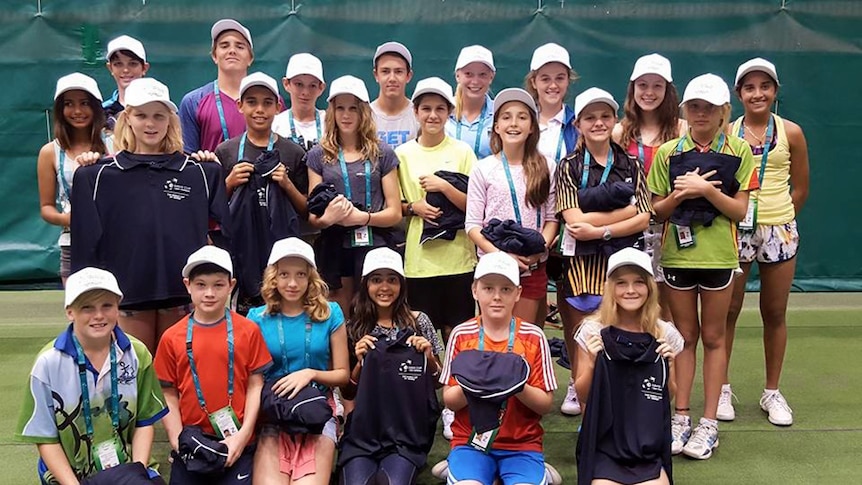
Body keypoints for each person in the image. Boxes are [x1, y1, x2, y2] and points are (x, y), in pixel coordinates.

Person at [71, 77, 231, 353]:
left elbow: (224, 235)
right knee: (135, 378)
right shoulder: (94, 176)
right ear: (127, 118)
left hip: (182, 293)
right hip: (126, 296)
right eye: (141, 115)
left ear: (170, 120)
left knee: (179, 380)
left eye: (159, 116)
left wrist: (211, 285)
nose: (150, 123)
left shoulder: (202, 172)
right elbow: (85, 248)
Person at [647, 74, 758, 460]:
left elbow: (740, 211)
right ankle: (681, 418)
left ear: (723, 111)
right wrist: (681, 193)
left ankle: (708, 423)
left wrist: (708, 190)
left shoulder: (741, 151)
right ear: (685, 110)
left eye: (709, 107)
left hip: (720, 259)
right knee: (683, 338)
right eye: (694, 106)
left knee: (714, 337)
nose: (701, 114)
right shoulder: (666, 153)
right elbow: (656, 213)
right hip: (677, 257)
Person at [16, 267, 167, 484]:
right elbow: (45, 439)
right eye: (87, 307)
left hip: (129, 466)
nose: (98, 315)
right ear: (70, 311)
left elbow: (144, 422)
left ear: (118, 308)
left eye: (107, 305)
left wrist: (136, 474)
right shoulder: (47, 363)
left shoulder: (137, 353)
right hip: (68, 476)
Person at [555, 87, 653, 422]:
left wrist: (601, 231)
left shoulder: (632, 163)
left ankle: (622, 410)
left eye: (605, 116)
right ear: (578, 124)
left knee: (620, 334)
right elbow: (572, 219)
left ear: (614, 121)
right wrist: (622, 213)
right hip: (579, 267)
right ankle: (585, 408)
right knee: (582, 338)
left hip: (622, 265)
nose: (598, 123)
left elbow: (644, 215)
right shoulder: (567, 166)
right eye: (590, 117)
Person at [723, 58, 810, 426]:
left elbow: (801, 186)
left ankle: (772, 391)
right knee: (727, 311)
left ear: (774, 91)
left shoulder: (791, 132)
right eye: (749, 87)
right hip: (735, 230)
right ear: (739, 93)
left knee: (774, 313)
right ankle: (722, 388)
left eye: (765, 87)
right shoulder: (727, 133)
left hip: (779, 230)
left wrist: (782, 218)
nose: (757, 93)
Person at [154, 246, 272, 484]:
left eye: (218, 285)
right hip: (192, 443)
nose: (209, 293)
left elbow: (255, 385)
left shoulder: (248, 330)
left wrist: (243, 437)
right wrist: (178, 441)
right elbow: (168, 393)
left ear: (231, 285)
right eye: (201, 285)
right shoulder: (172, 337)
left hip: (238, 443)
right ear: (187, 285)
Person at [439, 252, 558, 485]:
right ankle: (463, 467)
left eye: (506, 289)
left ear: (518, 294)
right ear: (475, 290)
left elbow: (544, 404)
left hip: (521, 444)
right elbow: (450, 401)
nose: (496, 297)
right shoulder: (461, 334)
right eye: (488, 288)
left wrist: (515, 384)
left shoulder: (533, 336)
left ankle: (535, 472)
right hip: (470, 442)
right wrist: (477, 381)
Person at [574, 248, 682, 485]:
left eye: (638, 282)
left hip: (647, 447)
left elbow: (667, 397)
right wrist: (592, 363)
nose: (630, 290)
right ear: (610, 288)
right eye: (621, 283)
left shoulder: (664, 333)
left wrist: (670, 367)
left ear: (650, 287)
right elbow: (583, 395)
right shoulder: (592, 331)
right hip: (605, 447)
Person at [246, 237, 349, 485]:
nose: (292, 283)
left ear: (310, 277)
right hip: (274, 413)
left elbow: (342, 374)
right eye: (284, 274)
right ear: (273, 276)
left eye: (301, 274)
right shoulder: (256, 317)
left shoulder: (330, 313)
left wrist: (311, 374)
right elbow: (252, 380)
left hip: (317, 410)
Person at [338, 247, 442, 485]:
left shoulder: (419, 321)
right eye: (376, 280)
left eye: (391, 280)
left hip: (406, 434)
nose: (384, 287)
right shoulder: (353, 327)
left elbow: (438, 380)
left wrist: (429, 357)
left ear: (402, 284)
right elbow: (348, 391)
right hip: (364, 433)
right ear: (365, 284)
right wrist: (359, 362)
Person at [306, 75, 403, 317]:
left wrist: (362, 217)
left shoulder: (382, 153)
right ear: (332, 112)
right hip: (334, 244)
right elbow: (313, 216)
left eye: (353, 108)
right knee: (338, 312)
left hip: (374, 241)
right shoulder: (318, 154)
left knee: (371, 310)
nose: (346, 115)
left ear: (364, 112)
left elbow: (395, 212)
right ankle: (342, 355)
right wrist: (329, 218)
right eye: (340, 108)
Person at [215, 72, 308, 314]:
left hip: (281, 250)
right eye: (252, 102)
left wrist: (287, 184)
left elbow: (306, 209)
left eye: (267, 103)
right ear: (239, 106)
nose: (259, 110)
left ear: (278, 107)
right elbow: (213, 207)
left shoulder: (293, 151)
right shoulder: (226, 151)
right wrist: (229, 182)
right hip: (241, 249)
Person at [465, 87, 558, 326]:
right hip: (493, 267)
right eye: (506, 117)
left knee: (525, 339)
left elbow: (551, 219)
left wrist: (538, 249)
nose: (513, 123)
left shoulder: (547, 166)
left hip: (532, 266)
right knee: (495, 338)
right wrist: (502, 256)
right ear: (496, 126)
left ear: (532, 127)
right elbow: (473, 226)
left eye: (522, 117)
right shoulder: (482, 168)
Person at [524, 41, 582, 417]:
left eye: (559, 78)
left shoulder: (579, 122)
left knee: (573, 308)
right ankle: (528, 381)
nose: (552, 84)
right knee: (531, 312)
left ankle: (577, 382)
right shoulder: (520, 118)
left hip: (572, 232)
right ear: (533, 81)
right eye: (545, 78)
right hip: (531, 231)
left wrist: (566, 221)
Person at [613, 53, 685, 325]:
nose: (649, 92)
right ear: (633, 89)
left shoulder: (683, 130)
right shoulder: (619, 133)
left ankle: (666, 368)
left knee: (666, 316)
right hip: (630, 229)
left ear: (668, 90)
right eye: (643, 85)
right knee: (629, 309)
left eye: (657, 85)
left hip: (671, 232)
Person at [37, 73, 110, 286]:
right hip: (72, 245)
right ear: (60, 110)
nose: (77, 111)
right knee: (80, 313)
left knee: (118, 312)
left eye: (84, 103)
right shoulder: (50, 152)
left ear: (96, 107)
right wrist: (72, 220)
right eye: (69, 104)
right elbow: (47, 208)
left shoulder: (115, 143)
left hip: (115, 243)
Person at [180, 19, 254, 153]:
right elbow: (188, 158)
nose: (232, 51)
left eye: (240, 46)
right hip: (212, 174)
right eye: (224, 46)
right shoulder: (193, 101)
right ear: (214, 56)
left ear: (250, 58)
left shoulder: (270, 100)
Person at [446, 45, 495, 159]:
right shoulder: (443, 110)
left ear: (491, 77)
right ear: (458, 76)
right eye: (468, 74)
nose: (475, 81)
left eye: (482, 74)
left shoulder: (500, 113)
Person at [272, 53, 327, 151]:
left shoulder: (330, 123)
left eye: (312, 86)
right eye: (299, 84)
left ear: (321, 88)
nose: (305, 92)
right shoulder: (275, 124)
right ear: (286, 84)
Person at [370, 41, 419, 149]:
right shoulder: (365, 116)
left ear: (408, 76)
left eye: (398, 71)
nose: (392, 78)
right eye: (385, 71)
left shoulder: (419, 116)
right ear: (376, 75)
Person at [102, 35, 150, 131]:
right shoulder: (102, 111)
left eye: (133, 64)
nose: (125, 70)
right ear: (110, 68)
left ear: (144, 68)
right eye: (118, 64)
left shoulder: (160, 107)